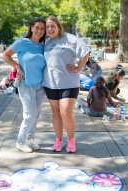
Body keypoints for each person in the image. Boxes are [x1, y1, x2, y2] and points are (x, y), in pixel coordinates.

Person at [43, 16, 90, 153]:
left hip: (69, 83)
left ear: (58, 26)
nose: (50, 29)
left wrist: (79, 68)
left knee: (65, 113)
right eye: (47, 27)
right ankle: (58, 140)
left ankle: (71, 141)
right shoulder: (46, 43)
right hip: (50, 83)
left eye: (52, 26)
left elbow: (85, 51)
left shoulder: (69, 38)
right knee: (55, 113)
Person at [2, 18, 47, 153]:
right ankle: (20, 142)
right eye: (37, 27)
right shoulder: (22, 42)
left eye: (42, 29)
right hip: (26, 84)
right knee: (30, 115)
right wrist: (17, 67)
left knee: (36, 115)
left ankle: (30, 140)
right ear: (31, 28)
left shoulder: (43, 46)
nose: (39, 31)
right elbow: (5, 55)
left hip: (40, 86)